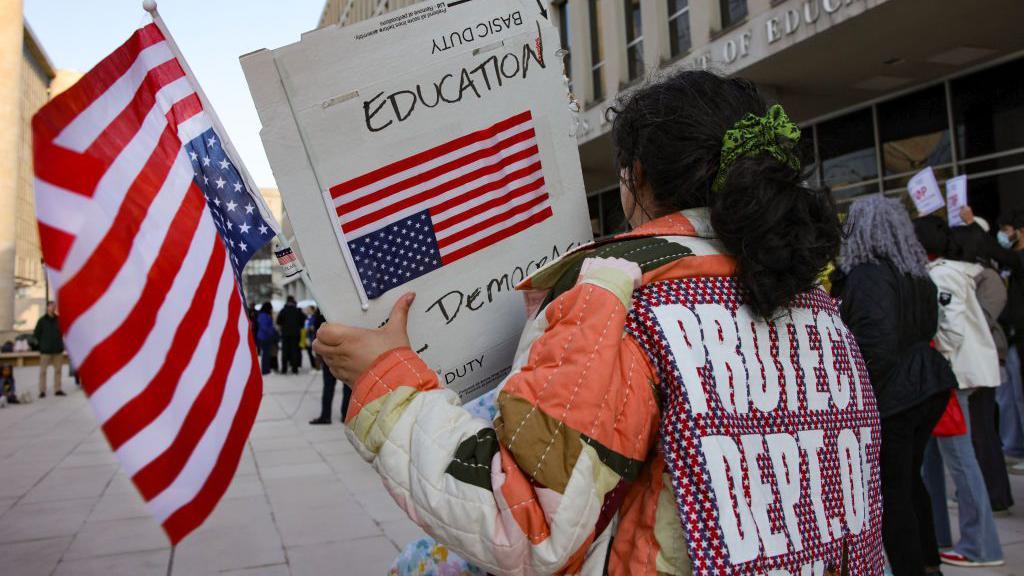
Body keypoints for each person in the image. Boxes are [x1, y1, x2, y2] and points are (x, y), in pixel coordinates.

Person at [315, 71, 883, 575]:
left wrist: (390, 387)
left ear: (635, 179)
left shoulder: (620, 295)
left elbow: (526, 521)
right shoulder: (813, 299)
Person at [831, 196, 955, 575]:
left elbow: (876, 343)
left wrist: (864, 403)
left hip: (896, 393)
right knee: (909, 481)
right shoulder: (916, 274)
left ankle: (911, 567)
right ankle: (929, 562)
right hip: (928, 385)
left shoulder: (869, 274)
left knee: (892, 491)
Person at [914, 215, 1004, 568]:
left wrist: (936, 358)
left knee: (962, 463)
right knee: (951, 460)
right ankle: (956, 540)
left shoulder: (943, 275)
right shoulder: (953, 271)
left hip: (955, 380)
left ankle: (980, 546)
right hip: (957, 378)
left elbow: (948, 329)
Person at [949, 210, 1014, 513]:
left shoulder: (986, 277)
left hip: (983, 365)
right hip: (976, 365)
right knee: (978, 434)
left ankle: (995, 494)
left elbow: (983, 317)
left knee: (984, 434)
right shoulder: (968, 275)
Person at [309, 310, 351, 425]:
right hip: (343, 353)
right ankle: (345, 415)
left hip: (330, 355)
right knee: (346, 386)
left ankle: (326, 416)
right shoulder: (344, 312)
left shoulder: (321, 313)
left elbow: (316, 335)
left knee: (329, 386)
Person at [33, 301, 65, 398]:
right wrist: (41, 346)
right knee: (43, 371)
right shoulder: (42, 321)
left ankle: (58, 389)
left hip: (57, 350)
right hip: (45, 351)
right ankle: (42, 391)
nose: (53, 308)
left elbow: (64, 332)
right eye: (51, 306)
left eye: (54, 306)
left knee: (58, 370)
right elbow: (36, 334)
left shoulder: (59, 320)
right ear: (47, 307)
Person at [276, 296, 304, 374]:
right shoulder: (297, 311)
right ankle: (294, 369)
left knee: (284, 351)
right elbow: (302, 321)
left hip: (285, 334)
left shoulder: (283, 310)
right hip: (295, 334)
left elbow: (278, 322)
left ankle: (284, 369)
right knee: (294, 351)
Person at [255, 302, 278, 376]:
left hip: (263, 336)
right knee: (266, 354)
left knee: (266, 354)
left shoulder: (262, 315)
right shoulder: (264, 316)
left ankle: (266, 370)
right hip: (265, 337)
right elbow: (264, 327)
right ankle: (265, 370)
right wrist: (272, 333)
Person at [303, 306, 319, 371]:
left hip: (312, 336)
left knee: (313, 352)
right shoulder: (308, 318)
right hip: (308, 336)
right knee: (309, 352)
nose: (307, 311)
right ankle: (313, 365)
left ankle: (316, 366)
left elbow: (313, 327)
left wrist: (308, 328)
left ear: (312, 310)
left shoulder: (314, 317)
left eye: (308, 309)